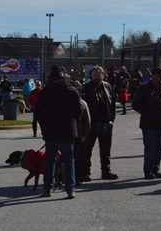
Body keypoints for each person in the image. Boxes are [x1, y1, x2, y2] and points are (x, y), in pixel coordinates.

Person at [35, 65, 82, 199]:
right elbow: (79, 109)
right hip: (68, 128)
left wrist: (43, 123)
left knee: (50, 160)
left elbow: (38, 110)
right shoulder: (71, 89)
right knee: (69, 160)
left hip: (51, 128)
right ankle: (70, 189)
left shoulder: (46, 91)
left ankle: (47, 188)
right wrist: (75, 121)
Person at [132, 67, 161, 179]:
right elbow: (135, 104)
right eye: (159, 75)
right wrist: (146, 112)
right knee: (150, 147)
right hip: (148, 124)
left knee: (159, 147)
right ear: (153, 75)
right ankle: (148, 170)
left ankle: (156, 169)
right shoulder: (144, 88)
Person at [81, 65, 119, 181]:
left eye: (98, 75)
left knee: (106, 150)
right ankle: (85, 173)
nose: (96, 77)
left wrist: (112, 118)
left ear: (103, 75)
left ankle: (106, 172)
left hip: (106, 123)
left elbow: (112, 104)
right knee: (87, 149)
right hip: (91, 124)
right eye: (94, 75)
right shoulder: (86, 88)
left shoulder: (108, 87)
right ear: (91, 76)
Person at [73, 80, 91, 187]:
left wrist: (84, 134)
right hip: (69, 135)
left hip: (79, 135)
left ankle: (78, 177)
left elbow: (87, 121)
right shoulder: (66, 103)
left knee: (78, 158)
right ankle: (68, 177)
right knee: (69, 158)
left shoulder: (82, 103)